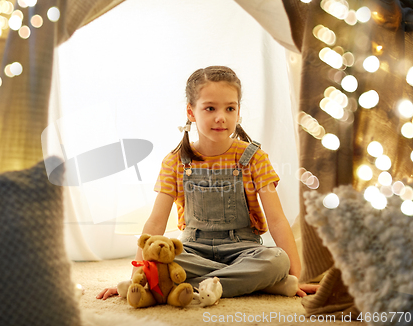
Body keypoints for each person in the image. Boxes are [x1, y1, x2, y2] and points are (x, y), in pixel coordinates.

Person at [97, 66, 319, 300]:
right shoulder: (175, 161)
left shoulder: (255, 158)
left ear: (238, 111)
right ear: (191, 112)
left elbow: (277, 220)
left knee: (277, 261)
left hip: (242, 248)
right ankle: (259, 284)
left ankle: (183, 284)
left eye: (229, 108)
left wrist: (297, 279)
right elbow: (155, 223)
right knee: (158, 256)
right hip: (192, 248)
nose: (221, 117)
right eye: (210, 108)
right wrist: (137, 277)